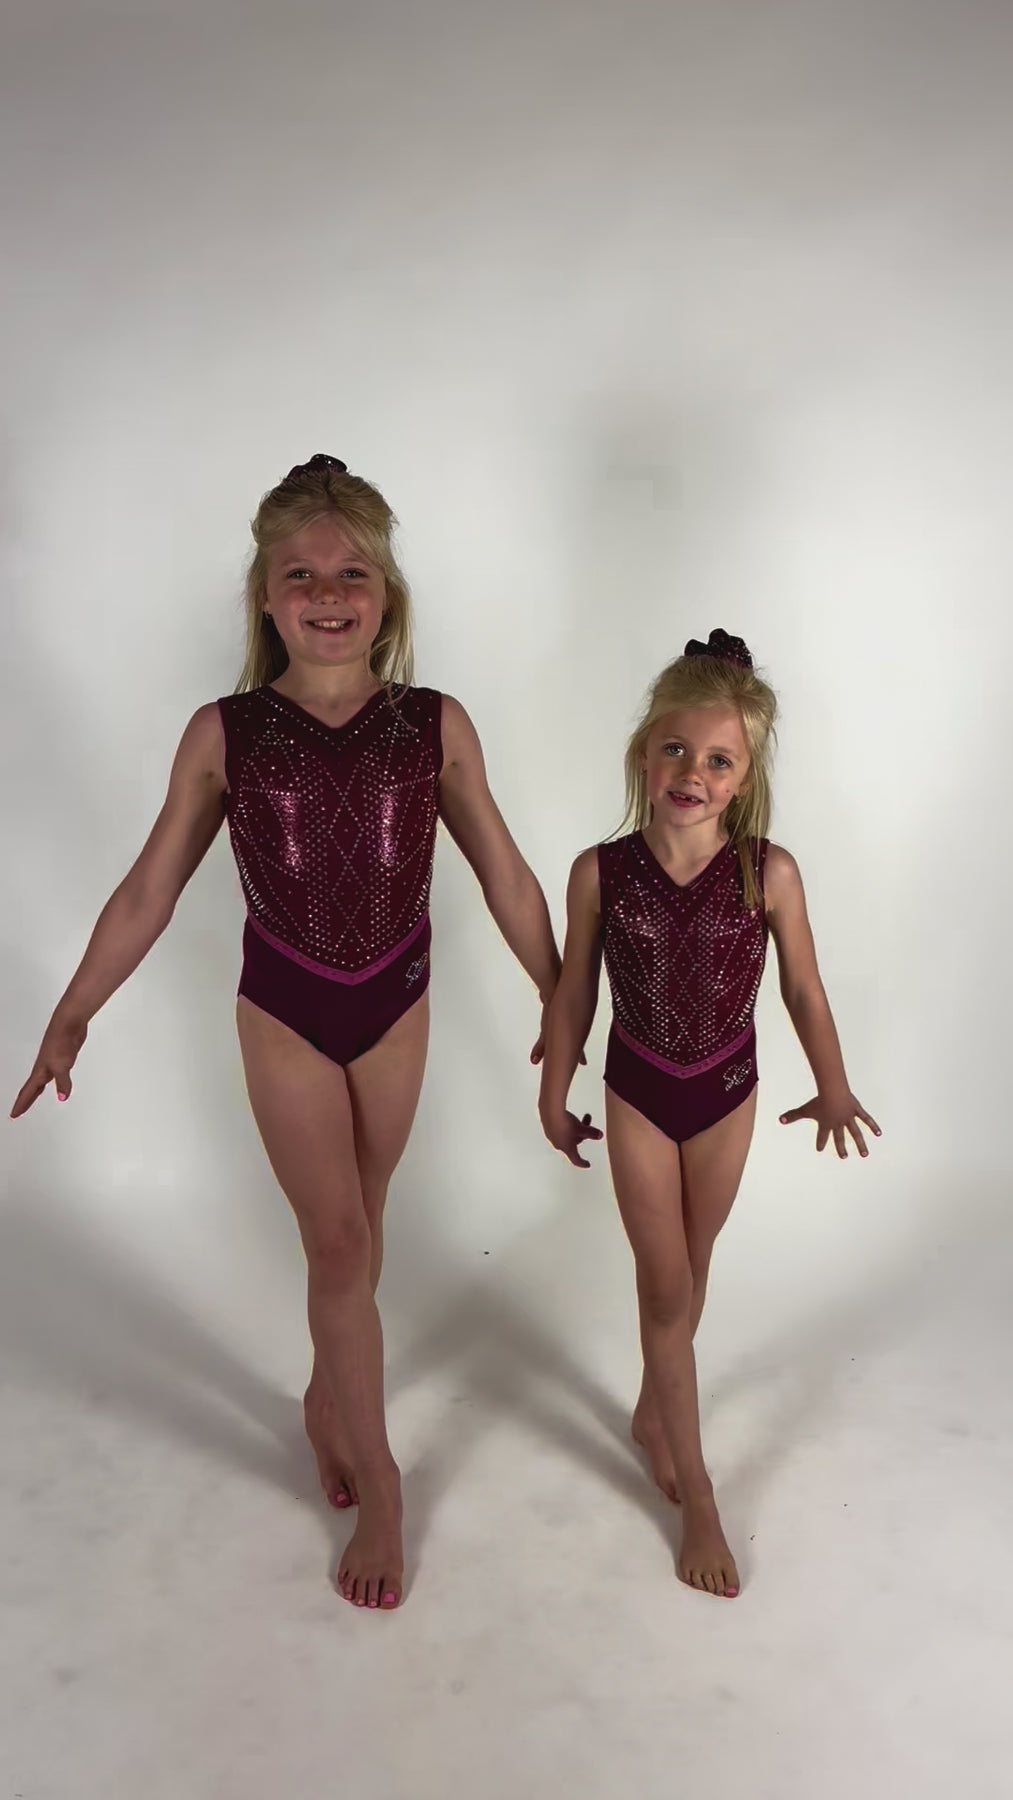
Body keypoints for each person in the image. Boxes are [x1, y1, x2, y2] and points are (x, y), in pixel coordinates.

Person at [11, 453, 562, 1612]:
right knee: (339, 1245)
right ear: (263, 597)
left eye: (351, 571)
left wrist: (560, 1002)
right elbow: (149, 888)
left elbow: (507, 875)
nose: (326, 593)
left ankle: (325, 1398)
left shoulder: (433, 725)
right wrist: (71, 1014)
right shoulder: (226, 733)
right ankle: (382, 1478)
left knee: (361, 1223)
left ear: (386, 594)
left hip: (396, 1005)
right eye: (299, 574)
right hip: (286, 1014)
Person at [538, 628, 880, 1599]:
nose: (693, 771)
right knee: (664, 1291)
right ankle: (697, 1495)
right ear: (643, 754)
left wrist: (834, 1084)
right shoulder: (599, 871)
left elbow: (803, 990)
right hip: (638, 1092)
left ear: (743, 779)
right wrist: (552, 1090)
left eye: (718, 760)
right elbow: (572, 991)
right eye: (675, 749)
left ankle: (655, 1412)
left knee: (688, 1272)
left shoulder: (768, 872)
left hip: (726, 1094)